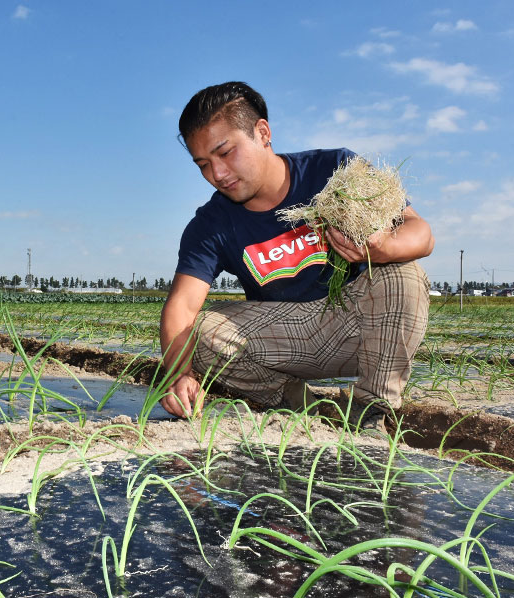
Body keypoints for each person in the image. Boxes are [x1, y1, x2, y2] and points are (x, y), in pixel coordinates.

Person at [159, 82, 434, 430]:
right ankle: (298, 402)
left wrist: (382, 248)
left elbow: (420, 232)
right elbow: (181, 307)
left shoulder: (335, 171)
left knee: (402, 273)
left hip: (360, 326)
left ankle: (372, 415)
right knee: (197, 332)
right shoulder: (211, 224)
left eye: (225, 152)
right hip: (286, 339)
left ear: (262, 133)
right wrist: (179, 376)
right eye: (203, 164)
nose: (218, 174)